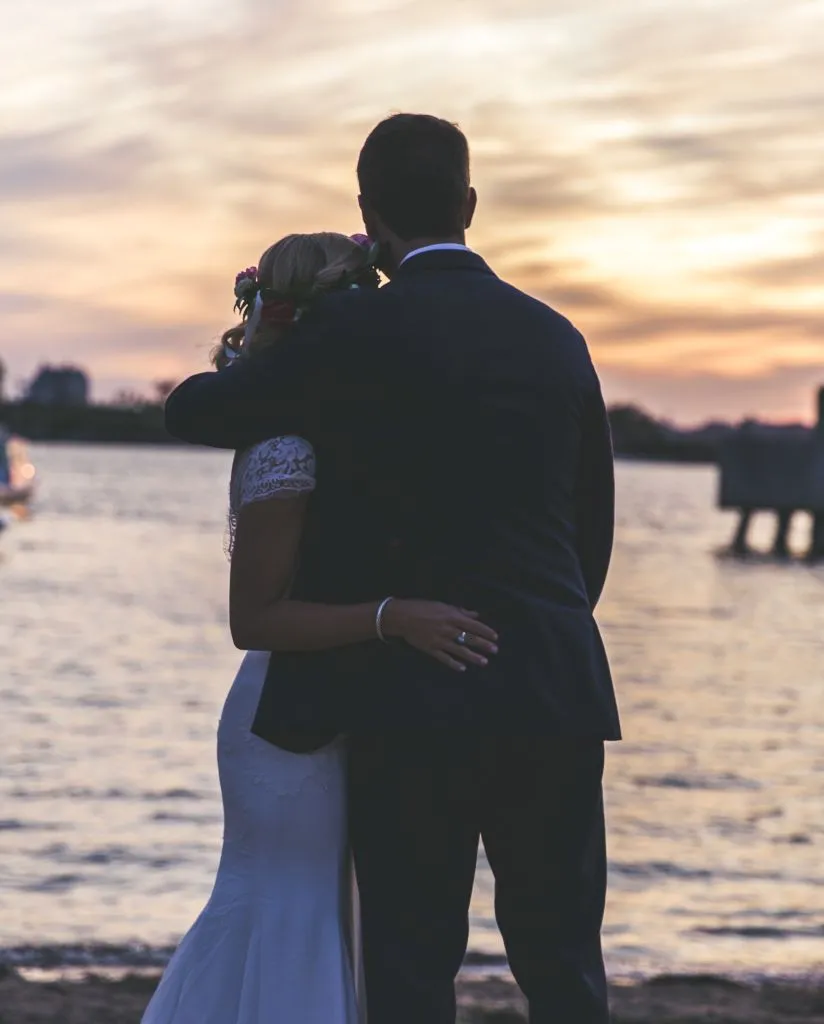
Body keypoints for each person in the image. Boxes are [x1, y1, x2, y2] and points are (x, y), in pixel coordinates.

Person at [165, 113, 621, 1024]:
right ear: (470, 204)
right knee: (564, 958)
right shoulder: (557, 336)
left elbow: (197, 412)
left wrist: (262, 342)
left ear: (368, 216)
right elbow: (592, 532)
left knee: (412, 963)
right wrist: (535, 628)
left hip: (416, 695)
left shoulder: (357, 334)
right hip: (553, 686)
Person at [142, 231, 498, 1024]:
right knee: (288, 914)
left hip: (336, 707)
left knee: (332, 917)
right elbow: (254, 618)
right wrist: (392, 617)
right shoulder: (284, 445)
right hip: (284, 723)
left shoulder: (336, 429)